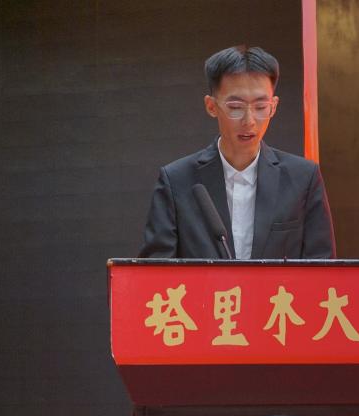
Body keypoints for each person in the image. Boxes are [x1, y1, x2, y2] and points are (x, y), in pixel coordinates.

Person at [138, 46, 336, 259]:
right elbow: (156, 270)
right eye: (235, 107)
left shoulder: (303, 178)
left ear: (273, 106)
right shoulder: (176, 181)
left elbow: (322, 267)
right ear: (211, 106)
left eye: (260, 107)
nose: (249, 121)